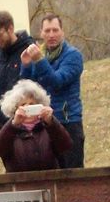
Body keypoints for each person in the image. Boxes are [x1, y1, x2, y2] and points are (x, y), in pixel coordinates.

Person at [18, 13, 85, 169]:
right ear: (41, 33)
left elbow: (56, 82)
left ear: (62, 32)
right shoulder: (39, 55)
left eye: (55, 30)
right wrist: (26, 65)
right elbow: (28, 88)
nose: (51, 35)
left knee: (72, 172)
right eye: (47, 31)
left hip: (68, 123)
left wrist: (39, 60)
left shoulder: (73, 56)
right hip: (42, 123)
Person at [0, 80, 73, 173]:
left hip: (49, 179)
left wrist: (51, 122)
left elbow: (66, 145)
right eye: (23, 105)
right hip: (18, 180)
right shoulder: (10, 130)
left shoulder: (48, 127)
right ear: (15, 109)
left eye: (32, 104)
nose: (27, 108)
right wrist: (13, 125)